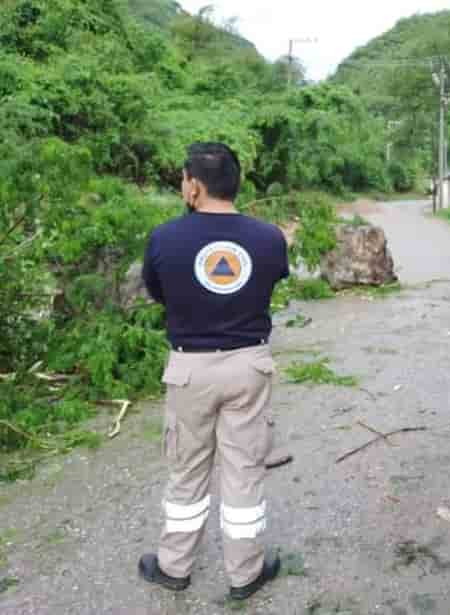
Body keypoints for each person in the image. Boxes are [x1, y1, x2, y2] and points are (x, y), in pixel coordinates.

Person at [139, 142, 290, 601]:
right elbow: (270, 282)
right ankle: (244, 574)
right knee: (244, 469)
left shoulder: (165, 238)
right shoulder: (268, 237)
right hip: (248, 364)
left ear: (194, 186)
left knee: (187, 468)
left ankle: (174, 567)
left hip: (189, 368)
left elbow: (158, 291)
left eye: (184, 179)